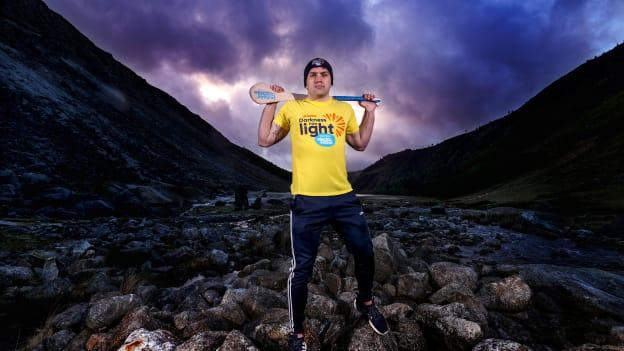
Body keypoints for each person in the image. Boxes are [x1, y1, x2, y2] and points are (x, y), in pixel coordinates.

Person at [257, 57, 388, 351]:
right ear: (305, 82)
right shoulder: (293, 107)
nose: (319, 78)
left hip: (343, 197)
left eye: (324, 74)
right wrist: (272, 104)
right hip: (307, 200)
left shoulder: (343, 109)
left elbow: (361, 143)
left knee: (366, 252)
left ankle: (365, 302)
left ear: (331, 81)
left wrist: (369, 112)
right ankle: (298, 334)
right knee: (301, 269)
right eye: (313, 74)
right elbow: (265, 139)